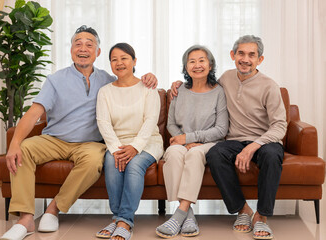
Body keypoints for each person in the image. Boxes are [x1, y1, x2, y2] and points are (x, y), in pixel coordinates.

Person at [0, 26, 157, 240]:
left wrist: (149, 77)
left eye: (89, 44)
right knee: (24, 149)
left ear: (98, 52)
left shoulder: (107, 80)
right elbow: (34, 113)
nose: (83, 48)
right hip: (54, 139)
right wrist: (15, 142)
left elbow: (129, 82)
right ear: (71, 49)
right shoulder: (56, 80)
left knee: (94, 162)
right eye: (78, 43)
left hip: (89, 143)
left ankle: (54, 209)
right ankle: (26, 218)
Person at [171, 35, 287, 240]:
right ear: (233, 55)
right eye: (241, 53)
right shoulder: (225, 79)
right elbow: (200, 83)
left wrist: (253, 147)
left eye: (252, 55)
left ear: (260, 59)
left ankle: (262, 216)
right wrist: (178, 83)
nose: (245, 59)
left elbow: (279, 126)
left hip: (265, 140)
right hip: (234, 140)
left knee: (271, 156)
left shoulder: (270, 86)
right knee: (215, 154)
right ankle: (243, 210)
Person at [155, 45, 228, 238]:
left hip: (208, 143)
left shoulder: (219, 92)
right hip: (181, 142)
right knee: (172, 153)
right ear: (185, 67)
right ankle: (187, 215)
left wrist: (189, 138)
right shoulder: (179, 90)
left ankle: (178, 214)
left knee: (195, 154)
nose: (197, 65)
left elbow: (221, 129)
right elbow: (171, 123)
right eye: (192, 61)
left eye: (202, 60)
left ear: (210, 64)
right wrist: (183, 142)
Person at [95, 43, 164, 240]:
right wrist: (117, 149)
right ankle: (118, 219)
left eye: (124, 58)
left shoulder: (148, 87)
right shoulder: (105, 91)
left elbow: (151, 121)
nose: (119, 63)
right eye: (114, 59)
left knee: (133, 165)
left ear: (134, 61)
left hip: (148, 141)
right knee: (111, 161)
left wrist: (135, 147)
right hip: (117, 142)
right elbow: (103, 122)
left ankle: (124, 220)